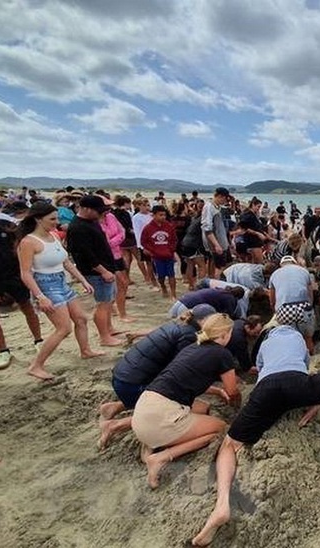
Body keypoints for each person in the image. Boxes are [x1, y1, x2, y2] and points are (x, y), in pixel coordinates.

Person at [191, 320, 320, 547]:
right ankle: (315, 403)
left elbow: (261, 371)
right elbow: (310, 366)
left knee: (230, 445)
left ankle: (221, 504)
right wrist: (318, 402)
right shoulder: (298, 340)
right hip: (301, 387)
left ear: (267, 333)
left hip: (267, 390)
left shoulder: (265, 344)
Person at [131, 313, 239, 489]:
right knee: (220, 428)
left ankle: (149, 445)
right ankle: (160, 457)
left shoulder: (192, 347)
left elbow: (187, 379)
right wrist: (235, 400)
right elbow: (233, 391)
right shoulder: (222, 354)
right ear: (225, 334)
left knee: (203, 408)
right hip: (162, 418)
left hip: (143, 408)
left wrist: (217, 391)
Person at [98, 304, 218, 450]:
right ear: (203, 321)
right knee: (184, 410)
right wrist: (214, 389)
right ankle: (115, 425)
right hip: (132, 383)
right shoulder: (189, 336)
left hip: (123, 376)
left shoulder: (179, 323)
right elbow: (178, 374)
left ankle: (114, 407)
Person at [17, 202, 103, 380]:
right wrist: (40, 296)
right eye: (52, 219)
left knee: (81, 318)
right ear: (38, 219)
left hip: (62, 281)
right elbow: (25, 273)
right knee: (63, 328)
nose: (57, 222)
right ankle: (36, 365)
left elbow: (66, 262)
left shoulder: (53, 236)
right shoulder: (28, 242)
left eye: (56, 218)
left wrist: (83, 280)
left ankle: (85, 350)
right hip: (45, 285)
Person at [66, 195, 123, 346]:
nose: (101, 213)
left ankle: (109, 328)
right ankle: (104, 337)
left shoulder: (92, 221)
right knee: (102, 304)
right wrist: (103, 271)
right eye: (98, 210)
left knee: (109, 301)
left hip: (106, 267)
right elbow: (85, 255)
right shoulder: (78, 227)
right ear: (85, 209)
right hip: (96, 272)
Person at [0, 201, 43, 370]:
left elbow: (20, 248)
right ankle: (3, 349)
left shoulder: (6, 224)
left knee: (27, 307)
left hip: (14, 274)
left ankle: (38, 340)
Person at [268, 255, 315, 352]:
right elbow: (310, 293)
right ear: (294, 263)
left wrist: (275, 309)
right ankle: (311, 356)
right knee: (308, 337)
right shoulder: (303, 271)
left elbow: (272, 298)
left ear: (281, 265)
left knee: (289, 338)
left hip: (285, 309)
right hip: (304, 306)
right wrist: (310, 306)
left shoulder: (274, 274)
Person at [99, 198, 132, 322]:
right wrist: (112, 241)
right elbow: (102, 242)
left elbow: (122, 232)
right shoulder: (95, 222)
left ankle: (122, 312)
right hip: (105, 258)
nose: (108, 209)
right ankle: (117, 312)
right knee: (115, 285)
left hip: (117, 254)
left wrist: (112, 242)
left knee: (123, 284)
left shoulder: (111, 217)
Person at [141, 205, 179, 300]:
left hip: (168, 255)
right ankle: (163, 286)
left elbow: (174, 240)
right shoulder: (148, 228)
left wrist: (171, 250)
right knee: (161, 276)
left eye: (164, 215)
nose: (163, 217)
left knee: (171, 274)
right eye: (160, 215)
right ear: (153, 215)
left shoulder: (169, 226)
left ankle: (173, 294)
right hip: (157, 257)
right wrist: (150, 251)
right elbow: (144, 241)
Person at [201, 187, 231, 278]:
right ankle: (216, 284)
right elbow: (207, 228)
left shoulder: (217, 207)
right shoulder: (209, 207)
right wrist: (216, 245)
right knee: (220, 266)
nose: (225, 201)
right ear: (220, 196)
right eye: (225, 199)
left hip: (220, 241)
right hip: (216, 242)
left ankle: (212, 280)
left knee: (216, 264)